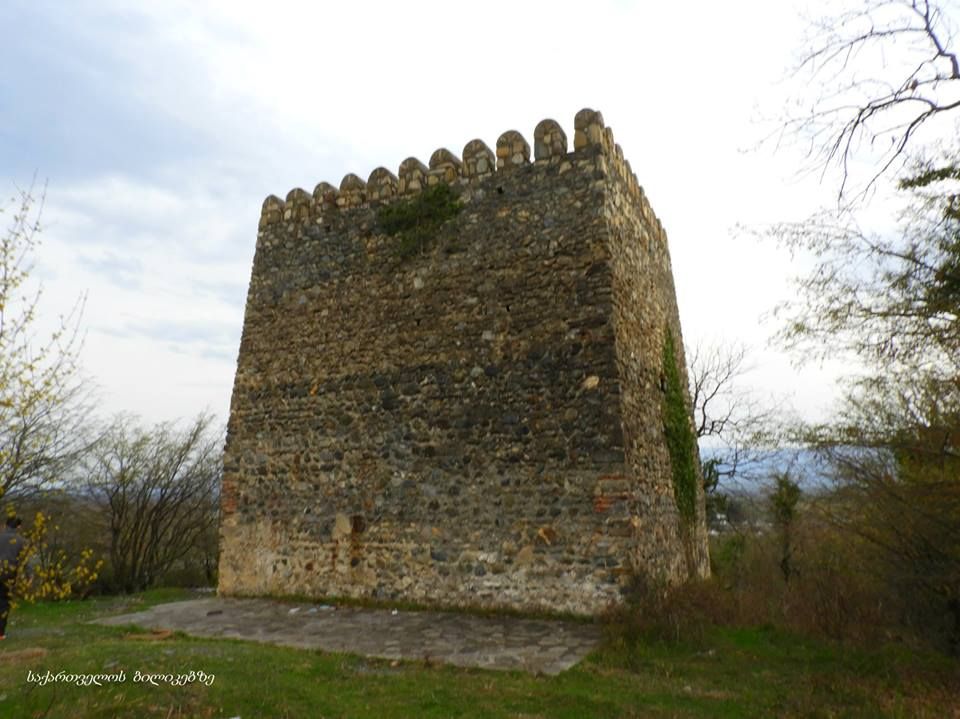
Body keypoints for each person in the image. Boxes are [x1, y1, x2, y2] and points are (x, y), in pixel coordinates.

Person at [0, 516, 24, 639]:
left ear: (5, 525)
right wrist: (29, 575)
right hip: (9, 574)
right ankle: (0, 632)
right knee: (4, 601)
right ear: (18, 527)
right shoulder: (21, 541)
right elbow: (25, 560)